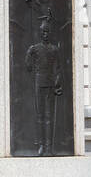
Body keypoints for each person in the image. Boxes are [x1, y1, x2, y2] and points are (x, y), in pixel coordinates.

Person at [25, 19, 63, 156]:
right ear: (40, 33)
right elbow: (28, 67)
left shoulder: (54, 49)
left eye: (47, 31)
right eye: (43, 32)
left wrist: (57, 84)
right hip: (39, 83)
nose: (45, 34)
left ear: (50, 33)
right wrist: (29, 54)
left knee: (49, 117)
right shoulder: (34, 49)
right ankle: (40, 145)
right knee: (40, 116)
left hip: (50, 85)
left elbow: (58, 69)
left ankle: (49, 147)